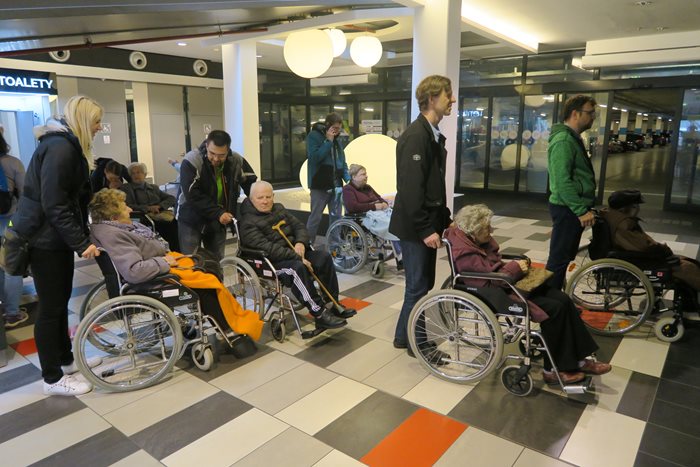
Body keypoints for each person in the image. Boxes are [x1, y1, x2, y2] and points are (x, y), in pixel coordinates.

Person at [445, 204, 611, 384]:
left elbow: (495, 268)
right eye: (487, 228)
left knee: (562, 298)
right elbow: (490, 280)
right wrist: (515, 267)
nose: (491, 230)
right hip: (495, 293)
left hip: (508, 284)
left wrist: (515, 267)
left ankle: (579, 360)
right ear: (473, 230)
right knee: (554, 310)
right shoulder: (465, 252)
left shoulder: (473, 239)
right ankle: (551, 371)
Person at [12, 95, 103, 396]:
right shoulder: (60, 148)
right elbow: (55, 203)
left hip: (53, 238)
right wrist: (81, 242)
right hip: (45, 241)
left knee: (60, 302)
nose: (100, 127)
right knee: (51, 308)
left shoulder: (64, 145)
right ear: (83, 121)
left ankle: (65, 361)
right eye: (96, 122)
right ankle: (52, 378)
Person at [88, 189, 263, 340]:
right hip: (154, 277)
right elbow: (134, 271)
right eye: (125, 207)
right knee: (207, 284)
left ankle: (224, 318)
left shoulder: (113, 228)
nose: (130, 209)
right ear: (113, 216)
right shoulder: (114, 235)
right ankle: (227, 327)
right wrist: (164, 261)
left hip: (160, 264)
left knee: (207, 262)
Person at [389, 75, 454, 358]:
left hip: (424, 223)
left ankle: (402, 337)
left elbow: (432, 186)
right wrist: (426, 228)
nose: (453, 99)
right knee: (417, 287)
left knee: (421, 285)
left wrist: (446, 219)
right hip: (415, 227)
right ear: (431, 99)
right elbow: (411, 190)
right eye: (448, 94)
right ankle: (420, 346)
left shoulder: (431, 134)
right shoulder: (416, 137)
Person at [239, 181, 356, 330]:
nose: (265, 201)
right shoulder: (247, 222)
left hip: (295, 252)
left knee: (324, 258)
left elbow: (299, 226)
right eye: (260, 198)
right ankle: (319, 313)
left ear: (273, 196)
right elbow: (269, 249)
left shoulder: (279, 209)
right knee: (297, 268)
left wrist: (300, 242)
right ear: (251, 199)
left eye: (268, 197)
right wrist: (297, 257)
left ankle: (332, 303)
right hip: (271, 262)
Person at [600, 189, 700, 299]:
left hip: (631, 256)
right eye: (636, 205)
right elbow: (642, 247)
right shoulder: (623, 224)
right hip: (639, 260)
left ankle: (689, 302)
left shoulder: (612, 215)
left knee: (686, 263)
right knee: (687, 268)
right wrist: (663, 249)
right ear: (629, 207)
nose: (638, 208)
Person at [177, 130, 257, 260]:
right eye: (212, 153)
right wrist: (218, 213)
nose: (216, 159)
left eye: (221, 155)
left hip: (218, 221)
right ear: (206, 146)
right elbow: (193, 195)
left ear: (228, 150)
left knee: (217, 261)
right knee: (191, 262)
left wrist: (259, 200)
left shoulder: (236, 160)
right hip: (191, 219)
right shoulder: (192, 160)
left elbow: (251, 184)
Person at [545, 95, 598, 290]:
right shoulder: (564, 140)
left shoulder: (573, 138)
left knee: (563, 257)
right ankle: (550, 301)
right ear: (575, 114)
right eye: (590, 113)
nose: (593, 117)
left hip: (571, 208)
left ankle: (555, 295)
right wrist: (580, 210)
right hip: (567, 209)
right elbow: (561, 182)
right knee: (558, 260)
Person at [342, 163, 402, 267]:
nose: (366, 176)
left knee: (399, 219)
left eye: (366, 174)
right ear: (354, 177)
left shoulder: (367, 187)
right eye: (363, 174)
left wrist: (384, 203)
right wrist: (374, 207)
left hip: (379, 213)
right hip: (363, 217)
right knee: (391, 224)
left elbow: (379, 198)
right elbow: (353, 207)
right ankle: (400, 255)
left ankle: (401, 252)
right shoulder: (348, 189)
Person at [306, 112, 350, 246]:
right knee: (315, 216)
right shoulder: (314, 136)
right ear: (327, 125)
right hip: (320, 184)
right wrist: (328, 141)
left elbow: (341, 161)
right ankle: (308, 244)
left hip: (336, 184)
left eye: (339, 129)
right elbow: (315, 158)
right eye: (335, 128)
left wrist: (348, 179)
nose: (337, 131)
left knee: (336, 217)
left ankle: (334, 245)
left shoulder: (337, 140)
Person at [0, 128, 28, 328]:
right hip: (8, 222)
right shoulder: (12, 163)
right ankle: (12, 313)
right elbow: (26, 193)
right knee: (11, 267)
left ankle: (4, 306)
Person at [120, 162, 180, 251]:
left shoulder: (153, 187)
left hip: (159, 214)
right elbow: (129, 205)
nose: (136, 175)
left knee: (175, 223)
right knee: (168, 226)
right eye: (133, 173)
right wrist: (148, 208)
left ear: (144, 174)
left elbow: (171, 198)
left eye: (138, 172)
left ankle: (177, 252)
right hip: (142, 217)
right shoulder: (126, 188)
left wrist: (159, 206)